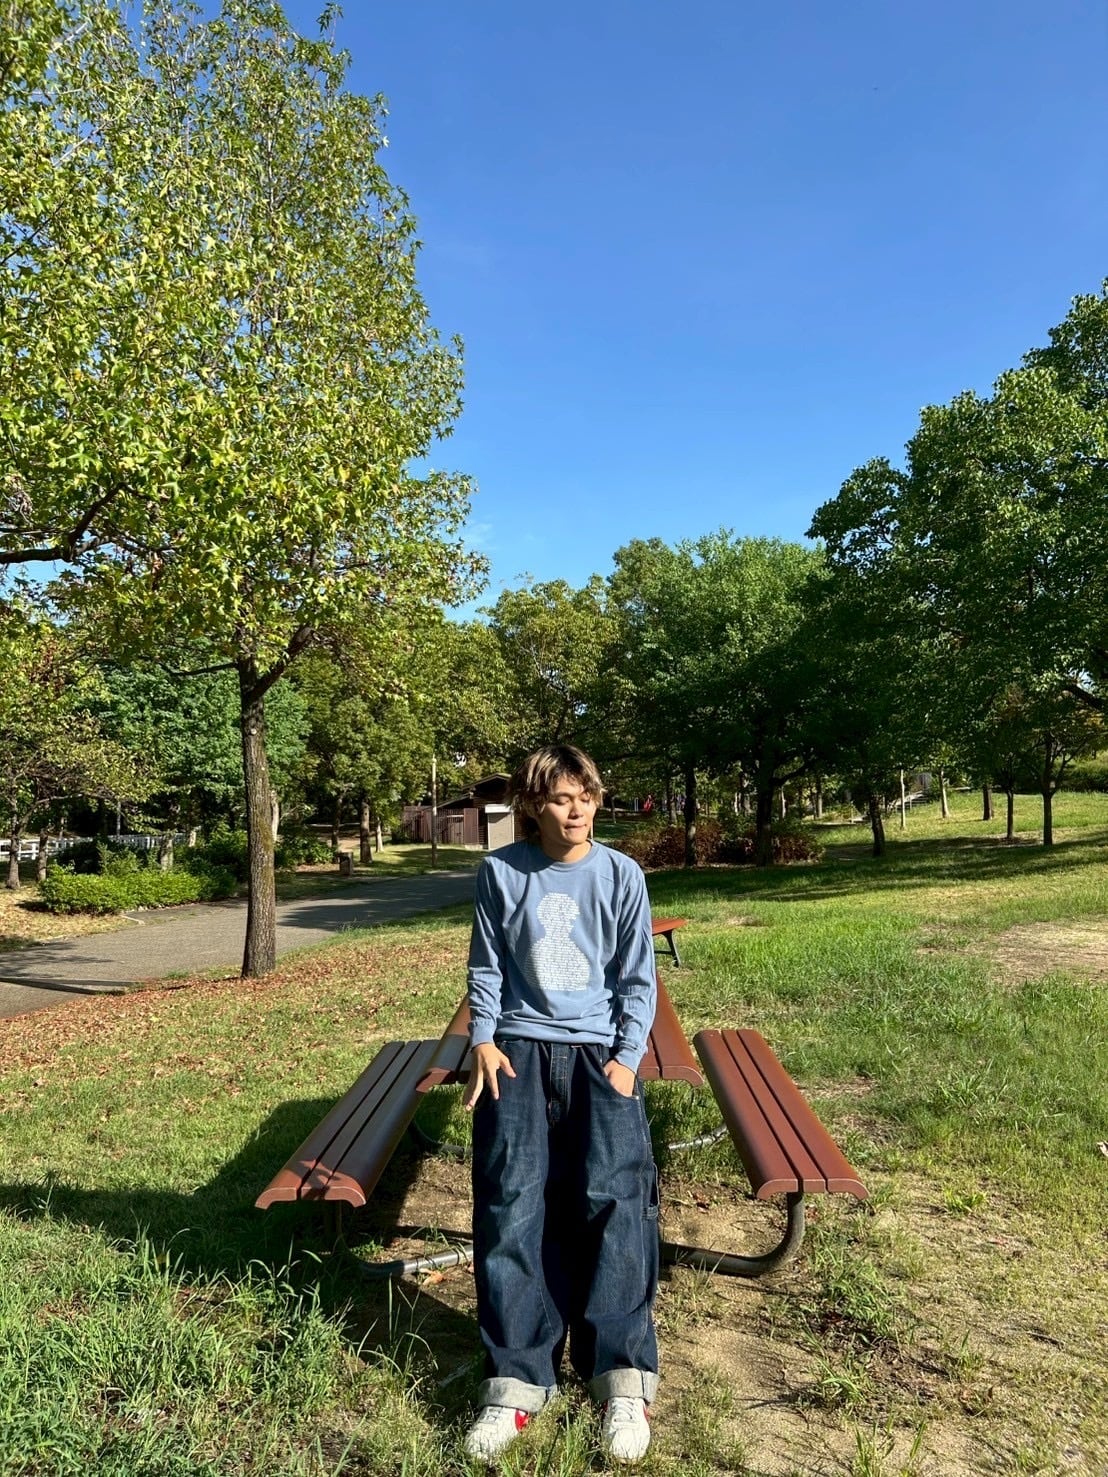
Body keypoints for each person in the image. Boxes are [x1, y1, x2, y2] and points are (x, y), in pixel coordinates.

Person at [461, 744, 659, 1464]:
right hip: (517, 1049)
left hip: (599, 1056)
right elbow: (487, 965)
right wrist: (483, 1039)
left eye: (585, 796)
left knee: (615, 1204)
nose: (575, 811)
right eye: (559, 798)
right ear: (532, 806)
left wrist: (626, 1061)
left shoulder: (622, 875)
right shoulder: (500, 872)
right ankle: (516, 1381)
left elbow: (637, 977)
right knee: (510, 1204)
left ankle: (620, 1378)